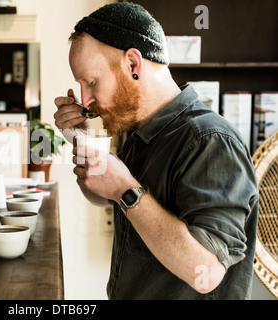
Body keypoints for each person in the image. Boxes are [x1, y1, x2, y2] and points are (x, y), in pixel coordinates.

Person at [54, 3, 258, 299]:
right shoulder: (143, 131)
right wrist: (81, 137)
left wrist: (126, 189)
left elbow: (206, 272)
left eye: (91, 82)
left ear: (133, 65)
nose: (85, 100)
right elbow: (104, 193)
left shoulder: (210, 140)